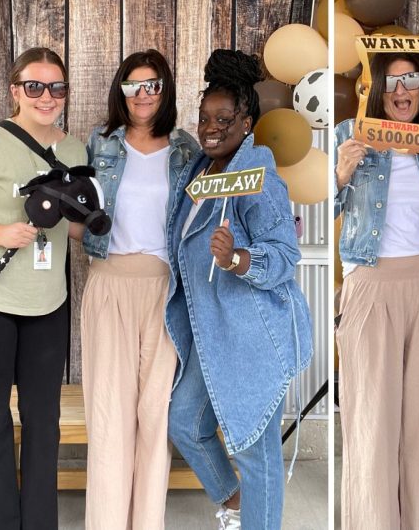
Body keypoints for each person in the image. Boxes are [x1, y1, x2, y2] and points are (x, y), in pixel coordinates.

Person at [164, 50, 313, 530]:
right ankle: (235, 504)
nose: (211, 127)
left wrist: (236, 258)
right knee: (186, 423)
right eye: (205, 117)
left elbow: (285, 257)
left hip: (251, 335)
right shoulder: (199, 172)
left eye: (224, 119)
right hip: (212, 336)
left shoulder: (258, 177)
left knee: (254, 449)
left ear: (246, 122)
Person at [0, 47, 87, 528]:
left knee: (43, 421)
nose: (46, 97)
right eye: (35, 86)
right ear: (16, 90)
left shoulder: (73, 151)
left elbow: (70, 225)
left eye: (56, 87)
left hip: (46, 303)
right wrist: (1, 234)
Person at [334, 51, 419, 529]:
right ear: (374, 88)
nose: (401, 90)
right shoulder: (351, 133)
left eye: (410, 80)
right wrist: (340, 172)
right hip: (369, 283)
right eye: (391, 80)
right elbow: (319, 202)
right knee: (371, 425)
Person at [81, 49, 199, 529]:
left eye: (152, 85)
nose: (143, 95)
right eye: (134, 86)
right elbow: (80, 212)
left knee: (155, 415)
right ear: (121, 92)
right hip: (109, 282)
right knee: (110, 416)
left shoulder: (187, 149)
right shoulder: (100, 144)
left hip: (165, 290)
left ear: (165, 90)